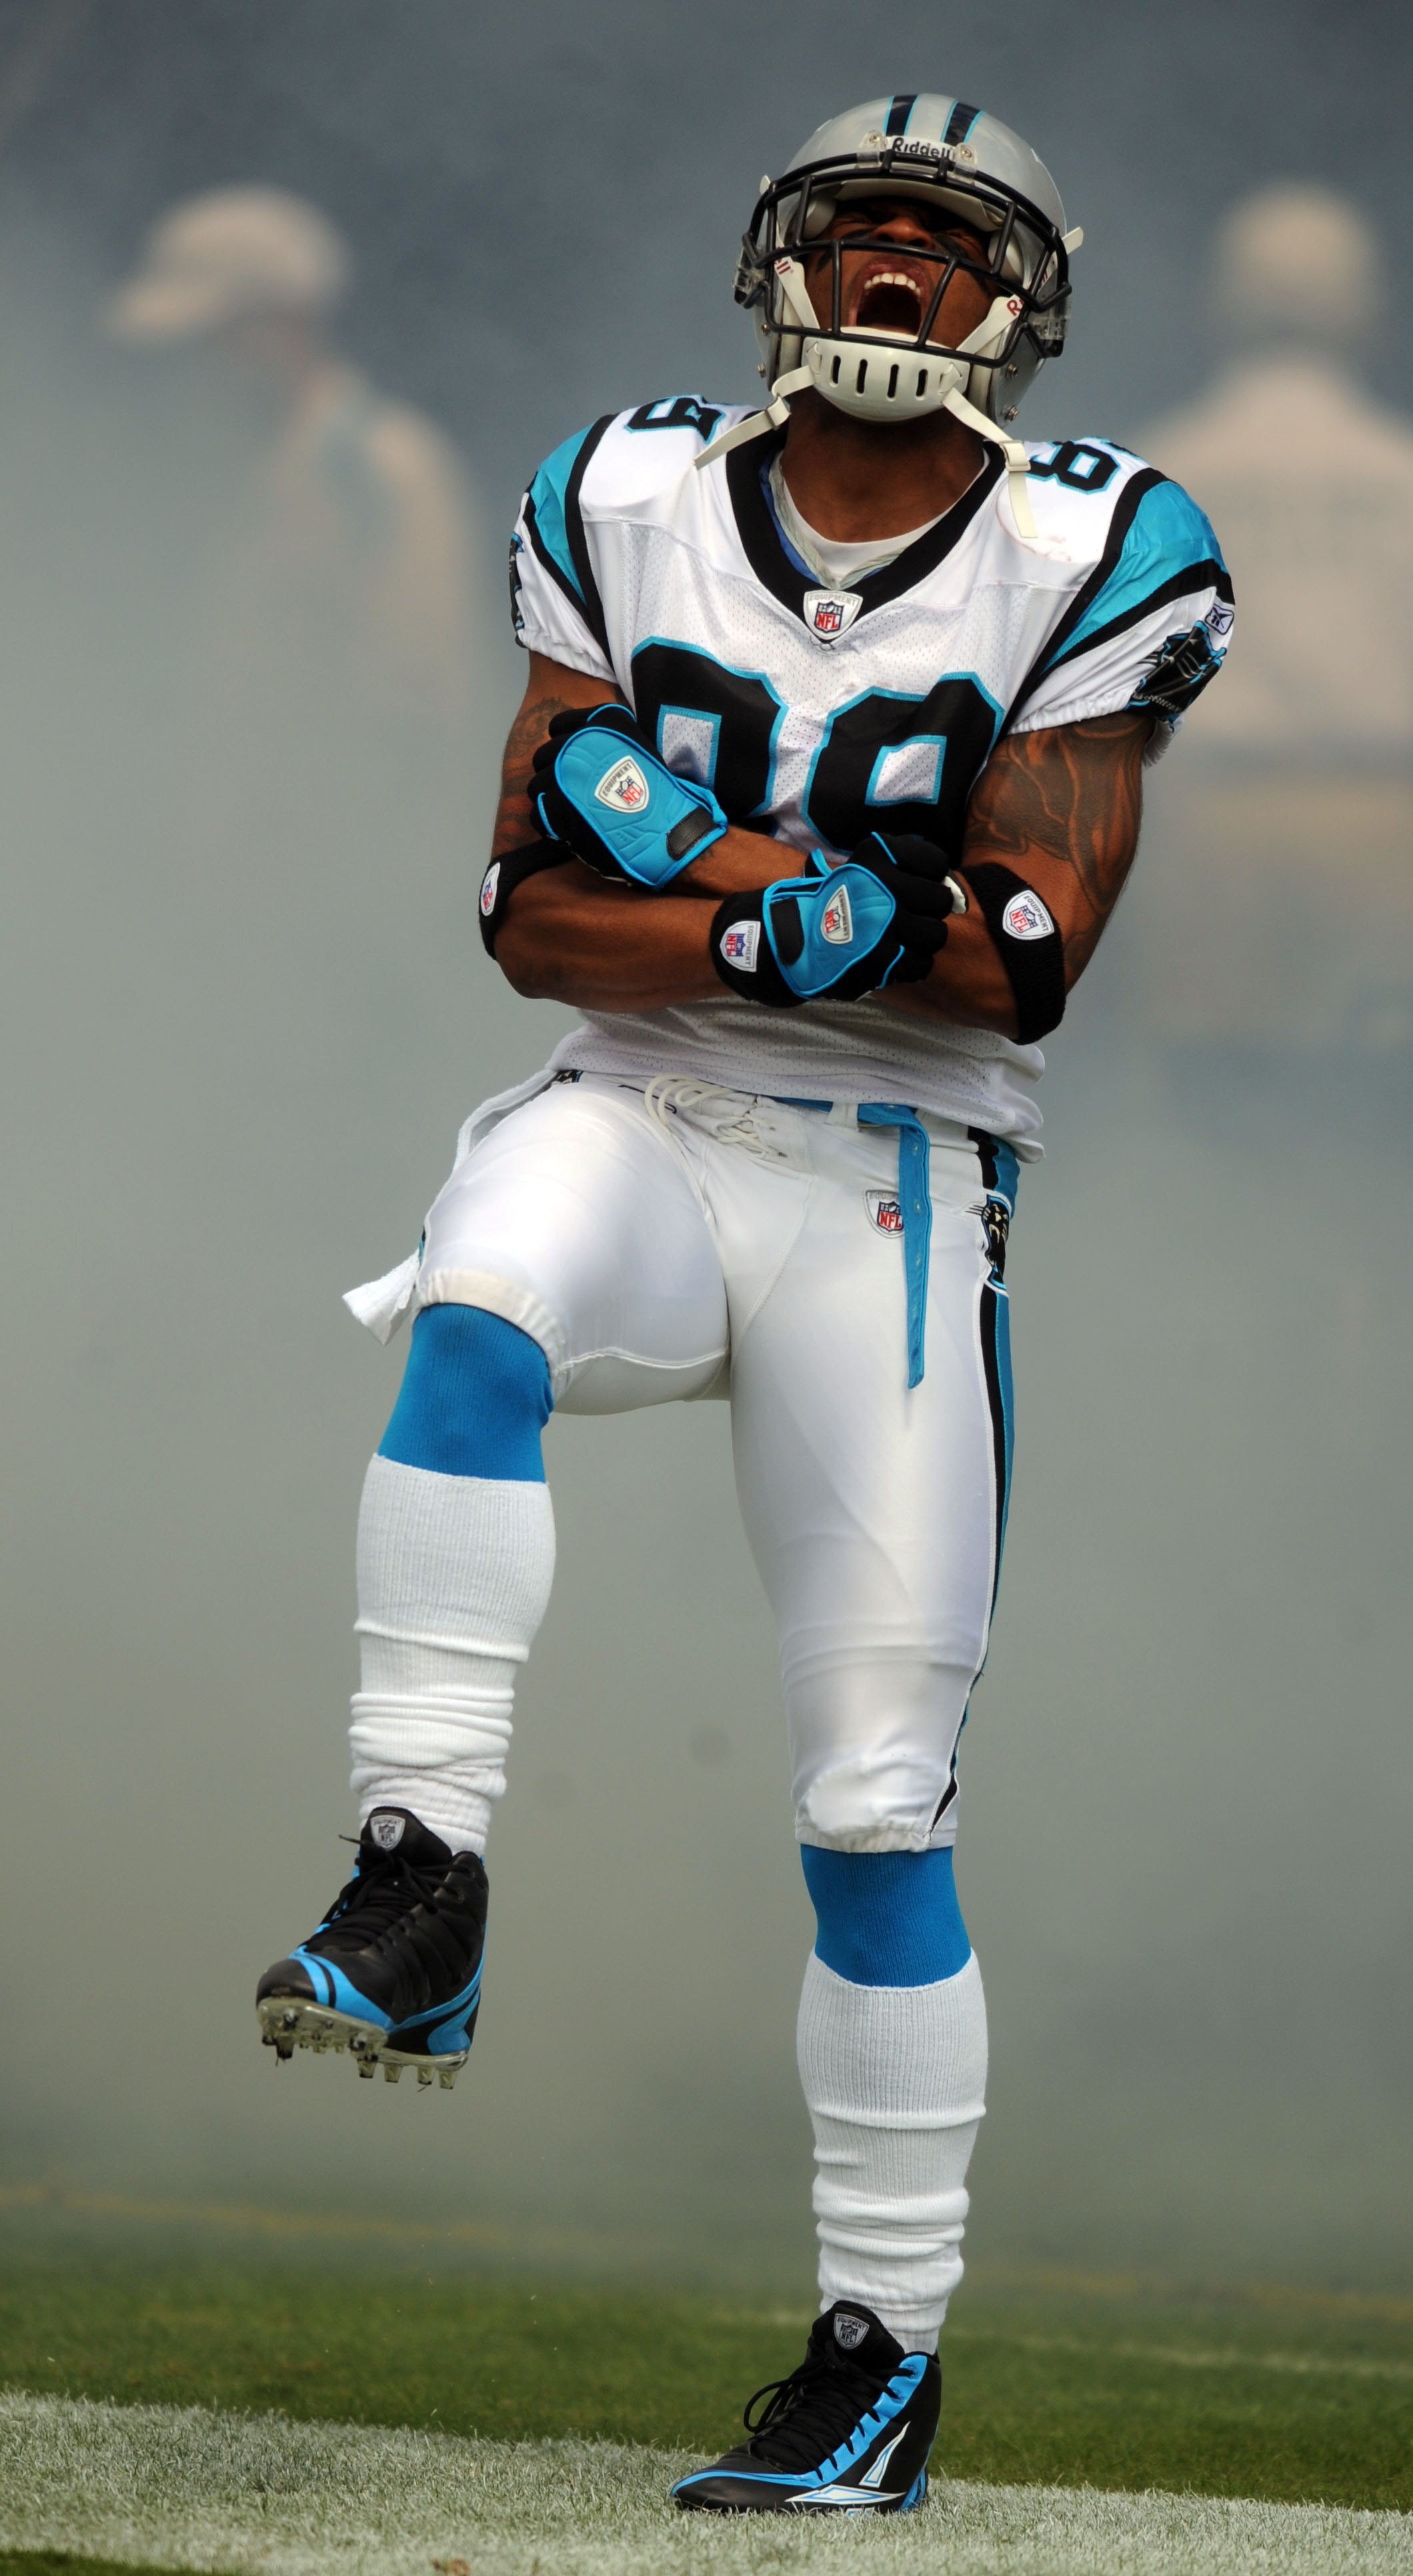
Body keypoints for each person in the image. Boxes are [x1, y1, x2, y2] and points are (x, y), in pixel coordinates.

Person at [255, 94, 1231, 2513]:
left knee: (870, 1810)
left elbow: (1019, 959)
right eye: (858, 234)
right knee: (475, 1301)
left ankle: (879, 2356)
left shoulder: (1097, 539)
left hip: (892, 1193)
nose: (893, 280)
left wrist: (762, 875)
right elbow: (524, 911)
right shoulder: (619, 491)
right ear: (778, 265)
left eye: (941, 248)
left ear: (1016, 297)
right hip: (641, 1096)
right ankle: (423, 1873)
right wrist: (760, 921)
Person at [1136, 184, 1413, 1083]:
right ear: (1364, 307)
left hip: (1209, 829)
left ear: (1226, 304)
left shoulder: (1161, 471)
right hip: (1385, 826)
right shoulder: (1400, 476)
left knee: (1220, 1098)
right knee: (1373, 1101)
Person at [107, 185, 477, 730]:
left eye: (212, 339)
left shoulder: (381, 468)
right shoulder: (224, 468)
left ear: (282, 322)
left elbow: (418, 705)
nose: (194, 370)